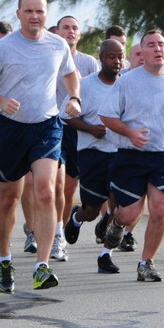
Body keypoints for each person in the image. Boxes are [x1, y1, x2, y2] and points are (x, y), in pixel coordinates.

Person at [0, 0, 81, 293]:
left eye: (40, 11)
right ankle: (4, 257)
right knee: (8, 197)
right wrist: (0, 100)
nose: (34, 16)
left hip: (46, 125)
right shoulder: (3, 48)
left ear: (47, 14)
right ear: (18, 14)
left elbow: (71, 75)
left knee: (45, 190)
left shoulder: (58, 44)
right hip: (10, 129)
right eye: (28, 11)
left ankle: (41, 266)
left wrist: (74, 97)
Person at [99, 30, 164, 282]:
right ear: (142, 53)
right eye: (151, 45)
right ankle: (117, 225)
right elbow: (106, 115)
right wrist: (129, 132)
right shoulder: (127, 81)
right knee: (130, 214)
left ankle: (146, 263)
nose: (157, 49)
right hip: (131, 155)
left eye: (161, 44)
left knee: (160, 209)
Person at [63, 39, 124, 273]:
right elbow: (65, 116)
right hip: (92, 154)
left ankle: (105, 254)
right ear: (101, 57)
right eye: (111, 56)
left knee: (117, 204)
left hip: (119, 154)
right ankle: (77, 217)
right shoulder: (84, 85)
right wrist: (90, 129)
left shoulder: (126, 84)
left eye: (120, 56)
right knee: (93, 210)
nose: (116, 61)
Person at [55, 14, 101, 261]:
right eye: (65, 28)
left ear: (79, 35)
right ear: (57, 32)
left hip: (79, 127)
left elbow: (98, 91)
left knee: (70, 186)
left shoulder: (89, 63)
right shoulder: (49, 57)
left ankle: (59, 231)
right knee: (56, 184)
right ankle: (55, 236)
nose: (70, 31)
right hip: (51, 125)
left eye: (74, 28)